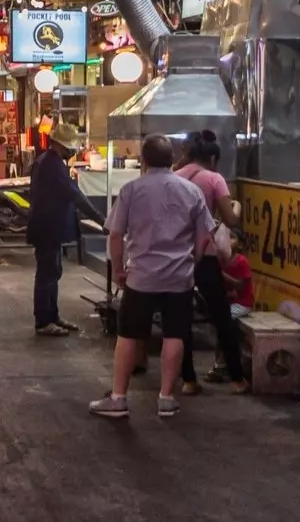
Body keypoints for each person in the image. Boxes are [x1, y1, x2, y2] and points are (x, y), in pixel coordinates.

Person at [90, 135, 214, 420]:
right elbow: (205, 236)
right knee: (175, 333)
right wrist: (192, 261)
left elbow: (115, 235)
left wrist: (118, 269)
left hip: (141, 277)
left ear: (144, 160)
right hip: (179, 277)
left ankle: (119, 398)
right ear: (172, 159)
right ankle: (167, 398)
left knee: (128, 335)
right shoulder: (191, 191)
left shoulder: (131, 190)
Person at [176, 130, 249, 395]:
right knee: (221, 316)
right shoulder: (214, 179)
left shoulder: (174, 177)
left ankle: (188, 380)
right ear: (213, 158)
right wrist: (236, 207)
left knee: (180, 318)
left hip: (177, 256)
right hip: (204, 255)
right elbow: (230, 220)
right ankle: (237, 379)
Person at [25, 125, 104, 336]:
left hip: (48, 226)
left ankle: (52, 315)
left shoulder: (50, 162)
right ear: (60, 145)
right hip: (47, 227)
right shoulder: (51, 165)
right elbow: (75, 195)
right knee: (47, 273)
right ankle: (44, 321)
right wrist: (100, 219)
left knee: (53, 271)